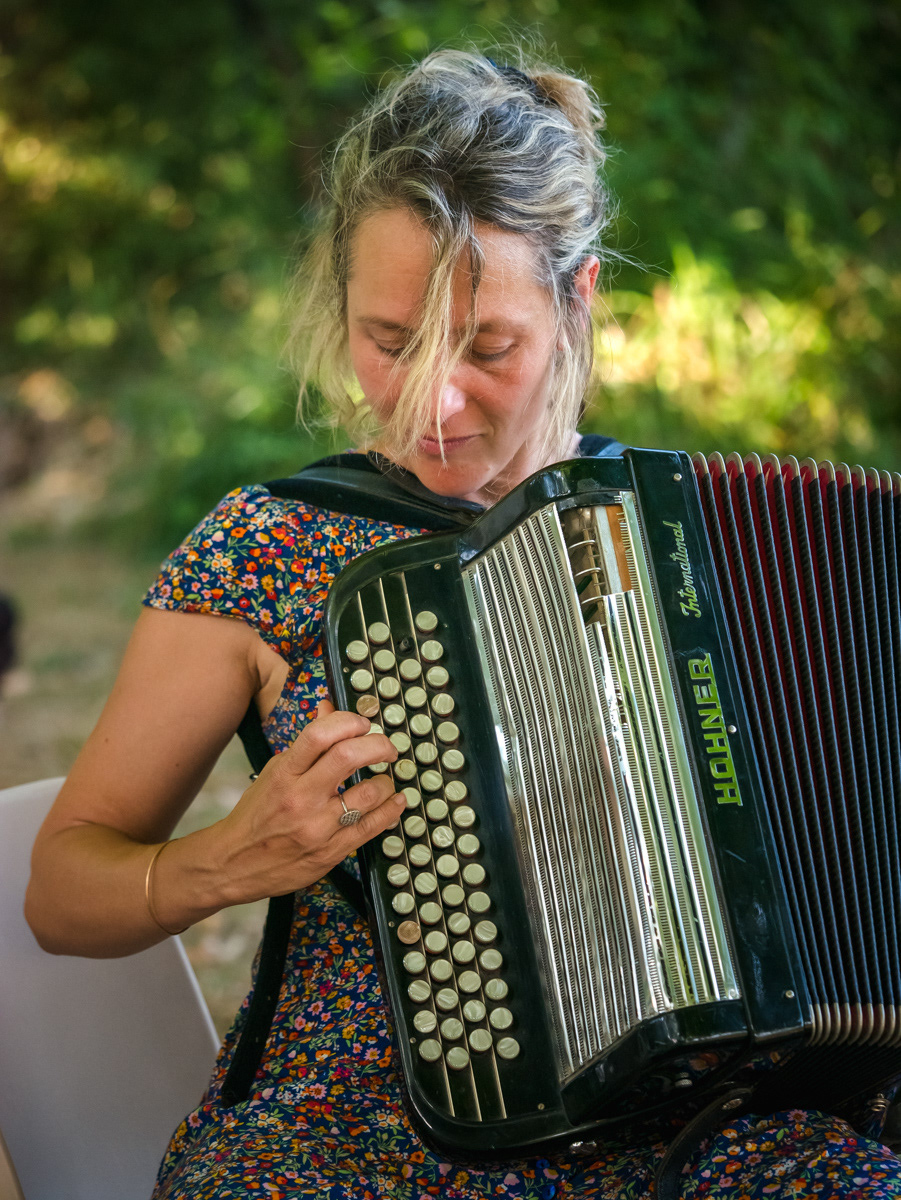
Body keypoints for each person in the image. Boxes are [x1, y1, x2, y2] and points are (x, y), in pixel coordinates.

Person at [24, 48, 901, 1200]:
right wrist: (223, 861)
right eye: (391, 341)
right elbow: (60, 891)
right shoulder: (265, 545)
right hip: (356, 1134)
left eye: (487, 347)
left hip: (705, 1124)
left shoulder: (699, 542)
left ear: (578, 302)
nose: (433, 400)